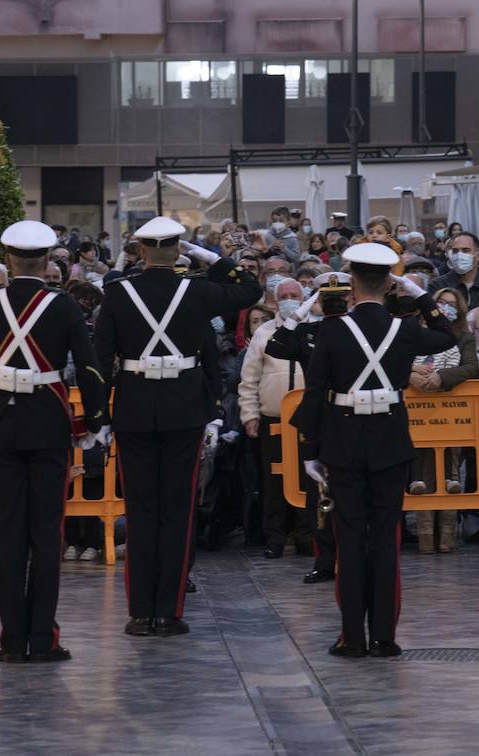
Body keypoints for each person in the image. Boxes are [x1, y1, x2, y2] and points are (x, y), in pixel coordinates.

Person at [95, 216, 261, 639]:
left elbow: (101, 358)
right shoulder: (198, 291)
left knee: (141, 508)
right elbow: (251, 290)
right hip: (184, 409)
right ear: (178, 251)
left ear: (141, 251)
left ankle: (140, 613)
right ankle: (168, 612)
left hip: (134, 406)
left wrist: (100, 415)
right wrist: (211, 257)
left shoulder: (117, 294)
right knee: (177, 510)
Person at [293, 243, 454, 657]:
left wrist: (310, 447)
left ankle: (352, 637)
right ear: (389, 284)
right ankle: (384, 636)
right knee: (385, 538)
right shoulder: (405, 328)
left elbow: (314, 394)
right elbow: (447, 334)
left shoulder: (331, 328)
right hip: (389, 438)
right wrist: (419, 294)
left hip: (344, 440)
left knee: (349, 538)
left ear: (350, 286)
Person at [0, 220, 110, 664]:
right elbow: (87, 366)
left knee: (7, 533)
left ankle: (11, 638)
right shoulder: (64, 305)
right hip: (48, 423)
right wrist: (95, 420)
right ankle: (41, 636)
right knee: (46, 534)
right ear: (49, 261)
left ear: (8, 259)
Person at [265, 271, 351, 584]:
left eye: (336, 300)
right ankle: (325, 560)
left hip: (351, 418)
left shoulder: (359, 330)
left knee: (350, 491)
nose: (332, 305)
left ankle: (352, 556)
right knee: (318, 494)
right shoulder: (308, 332)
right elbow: (275, 347)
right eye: (326, 299)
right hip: (318, 420)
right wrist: (298, 315)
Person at [240, 278, 311, 559]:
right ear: (276, 299)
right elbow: (249, 378)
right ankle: (275, 537)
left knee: (307, 478)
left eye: (295, 294)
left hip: (307, 421)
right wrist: (250, 414)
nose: (290, 299)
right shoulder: (264, 333)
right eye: (285, 295)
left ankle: (306, 535)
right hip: (273, 417)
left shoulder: (315, 330)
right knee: (273, 481)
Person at [409, 286, 479, 554]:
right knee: (424, 473)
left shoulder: (464, 337)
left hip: (452, 411)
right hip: (418, 411)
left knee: (450, 476)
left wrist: (442, 377)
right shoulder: (417, 334)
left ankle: (448, 536)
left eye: (452, 303)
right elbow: (397, 360)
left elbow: (471, 366)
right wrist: (409, 376)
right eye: (441, 302)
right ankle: (426, 536)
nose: (446, 307)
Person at [430, 232, 479, 311]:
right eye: (455, 251)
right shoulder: (437, 285)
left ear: (477, 255)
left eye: (465, 250)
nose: (459, 255)